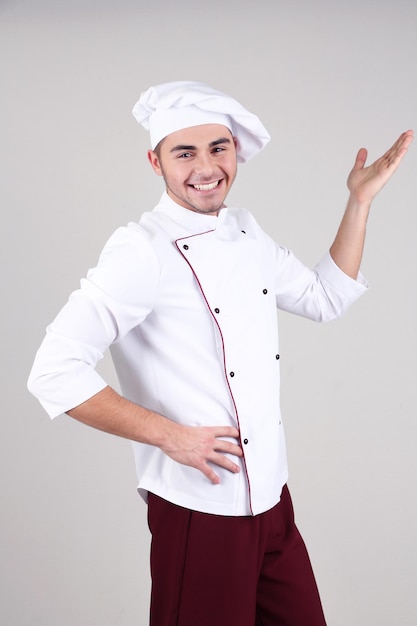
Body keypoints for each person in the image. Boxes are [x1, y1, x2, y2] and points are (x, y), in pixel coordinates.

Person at [28, 80, 413, 626]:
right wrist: (170, 436)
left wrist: (360, 200)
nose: (206, 166)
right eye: (184, 152)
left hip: (271, 500)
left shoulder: (245, 231)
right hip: (200, 509)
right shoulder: (142, 250)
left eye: (218, 147)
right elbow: (53, 371)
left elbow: (323, 298)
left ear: (236, 151)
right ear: (155, 161)